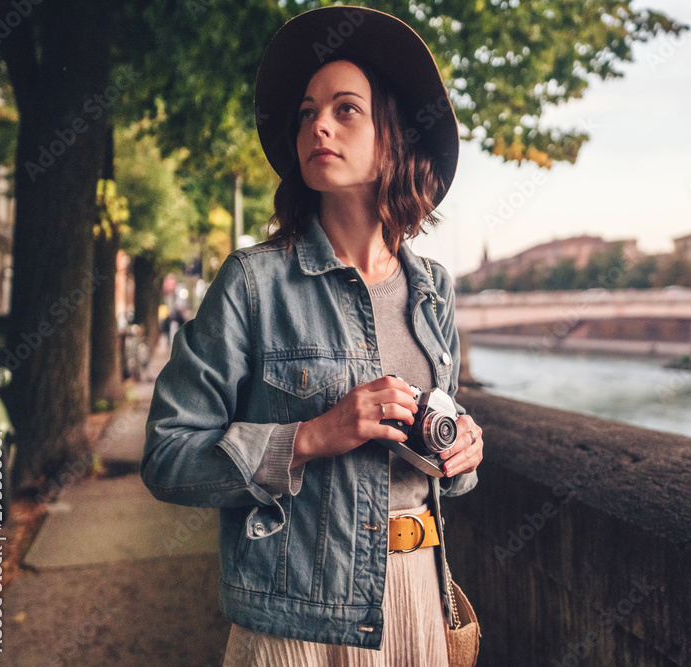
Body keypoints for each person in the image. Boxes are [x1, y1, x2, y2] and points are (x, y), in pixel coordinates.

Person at [141, 7, 483, 665]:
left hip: (419, 598)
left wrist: (462, 452)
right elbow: (166, 453)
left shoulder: (434, 286)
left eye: (345, 109)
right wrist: (310, 437)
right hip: (297, 614)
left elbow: (442, 466)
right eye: (306, 113)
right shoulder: (252, 282)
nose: (318, 124)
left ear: (393, 138)